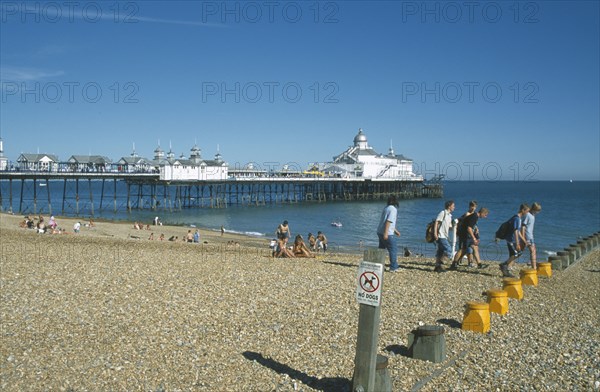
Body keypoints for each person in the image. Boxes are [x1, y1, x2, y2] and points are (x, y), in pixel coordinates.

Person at [499, 204, 530, 278]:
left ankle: (505, 269)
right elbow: (516, 231)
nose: (527, 213)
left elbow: (518, 231)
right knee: (516, 254)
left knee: (516, 254)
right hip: (511, 240)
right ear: (523, 210)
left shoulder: (518, 218)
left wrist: (524, 241)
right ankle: (504, 265)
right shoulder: (517, 219)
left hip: (513, 240)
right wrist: (518, 243)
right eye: (527, 211)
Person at [450, 201, 478, 269]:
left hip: (470, 233)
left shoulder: (474, 214)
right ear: (470, 206)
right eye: (472, 206)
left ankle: (470, 262)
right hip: (464, 234)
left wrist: (476, 228)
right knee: (463, 249)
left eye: (475, 207)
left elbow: (473, 224)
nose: (473, 208)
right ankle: (455, 263)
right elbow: (465, 224)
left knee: (469, 248)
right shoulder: (467, 214)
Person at [377, 195, 401, 272]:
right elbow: (388, 221)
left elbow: (386, 221)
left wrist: (395, 231)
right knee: (393, 249)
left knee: (381, 250)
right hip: (386, 233)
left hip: (380, 231)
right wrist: (386, 233)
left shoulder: (386, 208)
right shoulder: (393, 209)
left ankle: (380, 266)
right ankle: (393, 267)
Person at [433, 200, 455, 272]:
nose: (454, 207)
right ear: (449, 206)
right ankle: (440, 263)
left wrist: (456, 226)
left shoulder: (450, 215)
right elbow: (436, 222)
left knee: (440, 252)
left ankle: (437, 267)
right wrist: (435, 233)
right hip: (440, 235)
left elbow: (450, 227)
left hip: (444, 236)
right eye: (453, 206)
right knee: (449, 250)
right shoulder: (443, 213)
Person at [521, 202, 542, 269]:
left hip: (530, 236)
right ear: (534, 209)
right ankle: (534, 267)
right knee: (532, 251)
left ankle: (533, 265)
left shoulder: (532, 216)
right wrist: (523, 237)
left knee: (522, 251)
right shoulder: (528, 215)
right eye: (537, 211)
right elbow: (523, 226)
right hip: (527, 236)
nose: (538, 212)